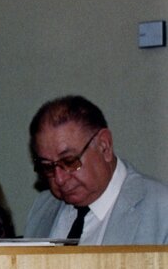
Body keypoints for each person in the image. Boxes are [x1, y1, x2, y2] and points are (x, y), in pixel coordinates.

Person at [24, 94, 168, 244]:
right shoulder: (42, 207)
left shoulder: (161, 209)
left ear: (104, 146)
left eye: (69, 161)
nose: (59, 179)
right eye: (47, 167)